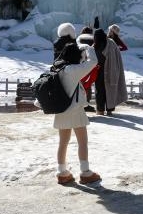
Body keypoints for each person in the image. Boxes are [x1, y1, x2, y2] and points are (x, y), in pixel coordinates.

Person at [52, 42, 101, 185]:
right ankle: (85, 173)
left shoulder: (58, 69)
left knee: (63, 142)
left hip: (61, 110)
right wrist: (88, 48)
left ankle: (62, 173)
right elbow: (93, 62)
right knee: (82, 142)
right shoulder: (73, 70)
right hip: (75, 111)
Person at [92, 28, 128, 116]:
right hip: (111, 71)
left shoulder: (95, 45)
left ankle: (100, 110)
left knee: (99, 91)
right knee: (110, 90)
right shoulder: (111, 43)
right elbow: (118, 57)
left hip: (99, 71)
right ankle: (109, 110)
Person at [77, 27, 97, 112]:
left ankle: (79, 104)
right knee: (88, 85)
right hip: (91, 64)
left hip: (80, 64)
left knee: (79, 84)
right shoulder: (93, 39)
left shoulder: (79, 39)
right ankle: (87, 104)